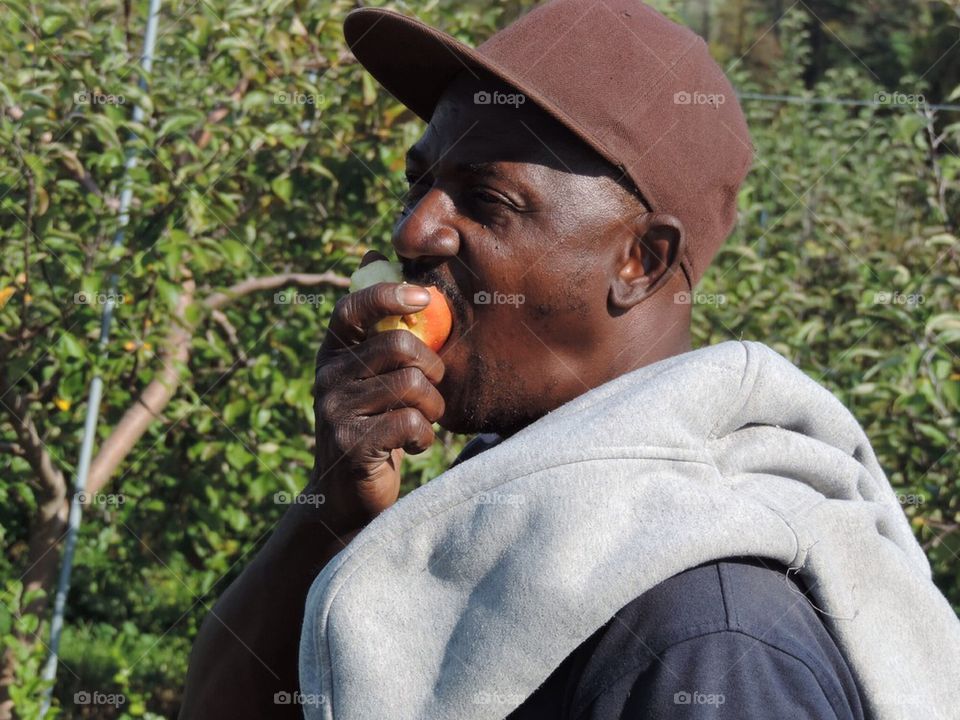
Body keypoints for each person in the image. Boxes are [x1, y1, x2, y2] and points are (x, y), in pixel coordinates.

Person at [181, 1, 960, 718]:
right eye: (421, 185)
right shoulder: (509, 512)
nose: (413, 234)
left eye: (487, 202)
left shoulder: (706, 636)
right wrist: (334, 509)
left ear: (642, 263)